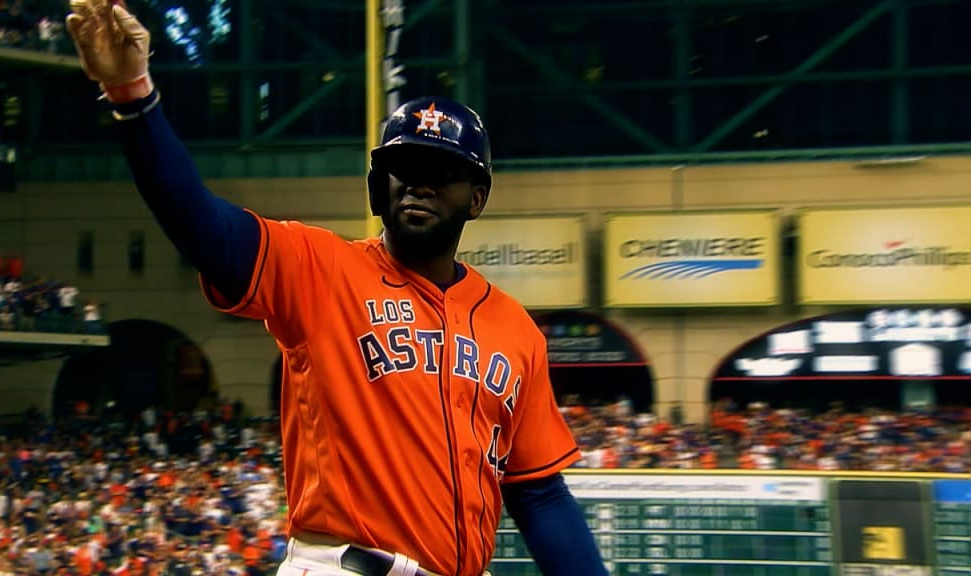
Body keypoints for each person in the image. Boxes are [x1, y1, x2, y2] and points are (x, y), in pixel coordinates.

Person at [64, 1, 609, 575]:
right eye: (404, 167)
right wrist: (133, 96)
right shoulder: (320, 269)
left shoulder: (515, 330)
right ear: (380, 187)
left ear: (475, 198)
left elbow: (538, 493)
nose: (418, 183)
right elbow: (201, 226)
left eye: (440, 170)